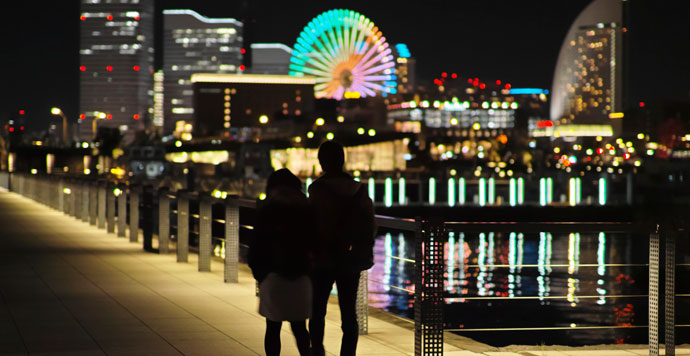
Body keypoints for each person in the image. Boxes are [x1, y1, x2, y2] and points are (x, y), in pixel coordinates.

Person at [307, 141, 376, 356]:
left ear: (322, 162)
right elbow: (371, 225)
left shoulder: (316, 189)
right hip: (350, 258)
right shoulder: (358, 189)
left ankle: (317, 351)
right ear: (342, 160)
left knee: (317, 311)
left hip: (322, 258)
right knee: (349, 314)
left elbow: (310, 224)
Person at [248, 168, 314, 356]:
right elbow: (315, 241)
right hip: (300, 275)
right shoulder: (306, 208)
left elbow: (256, 245)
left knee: (272, 328)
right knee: (300, 328)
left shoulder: (267, 208)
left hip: (272, 275)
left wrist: (261, 275)